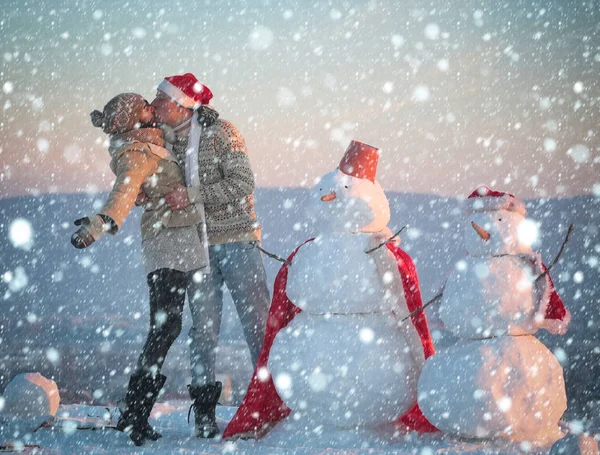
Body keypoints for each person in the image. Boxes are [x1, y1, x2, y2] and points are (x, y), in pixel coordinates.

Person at [71, 92, 208, 446]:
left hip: (180, 241)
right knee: (165, 327)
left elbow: (181, 123)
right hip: (166, 243)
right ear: (135, 119)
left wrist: (205, 114)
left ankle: (135, 411)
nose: (152, 107)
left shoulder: (153, 140)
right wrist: (102, 222)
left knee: (167, 327)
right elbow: (126, 188)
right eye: (146, 107)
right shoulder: (137, 151)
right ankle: (135, 412)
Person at [147, 73, 271, 438]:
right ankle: (204, 413)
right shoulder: (163, 142)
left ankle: (269, 404)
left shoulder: (222, 133)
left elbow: (243, 184)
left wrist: (192, 194)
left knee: (258, 326)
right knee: (203, 330)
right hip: (195, 245)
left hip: (236, 241)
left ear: (181, 104)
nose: (155, 104)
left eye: (160, 98)